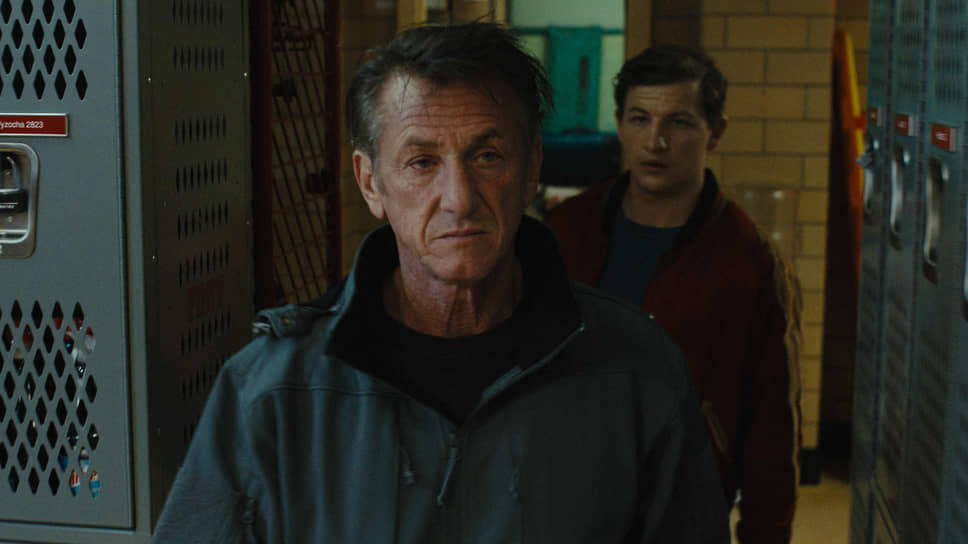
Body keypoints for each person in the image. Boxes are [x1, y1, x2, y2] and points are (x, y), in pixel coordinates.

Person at [152, 24, 728, 543]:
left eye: (488, 155)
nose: (459, 198)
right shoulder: (273, 391)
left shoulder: (636, 371)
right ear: (371, 183)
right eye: (422, 162)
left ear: (532, 167)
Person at [545, 45, 802, 544]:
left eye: (679, 122)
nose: (655, 141)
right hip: (566, 498)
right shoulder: (565, 232)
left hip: (684, 510)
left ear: (716, 132)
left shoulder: (749, 262)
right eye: (640, 119)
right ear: (620, 124)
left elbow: (772, 429)